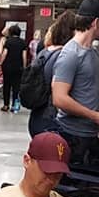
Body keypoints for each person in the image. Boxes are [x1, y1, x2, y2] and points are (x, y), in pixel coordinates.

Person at [52, 0, 99, 167]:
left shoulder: (92, 53)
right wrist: (95, 116)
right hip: (72, 135)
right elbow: (59, 98)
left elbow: (93, 87)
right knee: (74, 189)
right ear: (96, 22)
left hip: (90, 133)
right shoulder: (71, 54)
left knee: (92, 188)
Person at [27, 10, 76, 138]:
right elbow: (57, 92)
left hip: (37, 115)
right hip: (51, 119)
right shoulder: (63, 56)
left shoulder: (45, 52)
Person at [0, 24, 28, 112]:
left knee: (6, 86)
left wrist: (1, 63)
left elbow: (4, 53)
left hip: (7, 66)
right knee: (16, 87)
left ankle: (6, 105)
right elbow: (24, 56)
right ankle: (14, 106)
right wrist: (24, 67)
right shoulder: (23, 42)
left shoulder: (8, 41)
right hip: (18, 67)